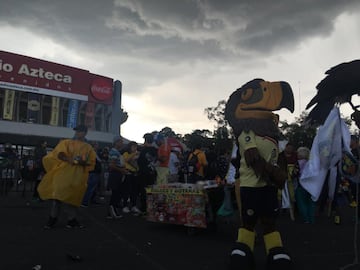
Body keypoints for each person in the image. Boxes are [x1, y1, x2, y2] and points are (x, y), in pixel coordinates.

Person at [37, 125, 96, 229]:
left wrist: (81, 162)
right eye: (77, 131)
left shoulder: (88, 148)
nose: (78, 133)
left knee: (72, 199)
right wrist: (71, 160)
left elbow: (90, 162)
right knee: (57, 198)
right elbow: (59, 154)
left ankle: (71, 220)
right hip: (63, 174)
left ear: (85, 132)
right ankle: (52, 219)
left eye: (80, 131)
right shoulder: (66, 143)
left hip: (78, 177)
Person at [107, 135, 128, 219]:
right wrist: (122, 170)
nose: (122, 143)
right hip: (115, 175)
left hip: (116, 174)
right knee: (116, 194)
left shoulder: (116, 152)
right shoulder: (114, 152)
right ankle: (113, 212)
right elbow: (112, 165)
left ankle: (112, 212)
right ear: (116, 142)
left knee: (116, 194)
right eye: (121, 142)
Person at [293, 147, 315, 224]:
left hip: (300, 185)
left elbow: (294, 173)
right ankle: (311, 218)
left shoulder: (297, 163)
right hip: (311, 186)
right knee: (310, 203)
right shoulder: (311, 163)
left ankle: (306, 219)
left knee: (301, 202)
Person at [137, 133, 158, 213]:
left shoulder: (143, 150)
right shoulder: (156, 150)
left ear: (145, 140)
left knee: (143, 191)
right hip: (152, 172)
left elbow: (139, 162)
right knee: (151, 191)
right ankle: (151, 207)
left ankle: (143, 208)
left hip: (143, 173)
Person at [122, 141, 142, 214]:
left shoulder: (137, 154)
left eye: (136, 146)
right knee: (127, 190)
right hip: (128, 173)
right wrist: (134, 154)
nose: (135, 148)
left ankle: (133, 206)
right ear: (129, 147)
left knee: (134, 191)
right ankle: (125, 206)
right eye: (133, 146)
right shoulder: (126, 153)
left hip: (135, 173)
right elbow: (126, 160)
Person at [81, 141, 102, 207]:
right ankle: (84, 202)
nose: (98, 146)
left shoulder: (95, 153)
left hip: (95, 172)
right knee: (89, 188)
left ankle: (90, 200)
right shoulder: (90, 153)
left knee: (93, 188)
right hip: (93, 172)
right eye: (96, 145)